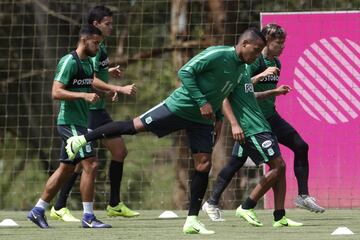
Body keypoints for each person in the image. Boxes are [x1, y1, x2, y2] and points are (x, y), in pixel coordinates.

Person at [64, 28, 266, 234]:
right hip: (177, 107)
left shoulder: (242, 69)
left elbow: (226, 93)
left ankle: (192, 220)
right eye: (256, 50)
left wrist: (220, 120)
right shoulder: (217, 54)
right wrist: (201, 101)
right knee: (132, 127)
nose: (257, 55)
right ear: (244, 44)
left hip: (202, 120)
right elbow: (185, 72)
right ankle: (81, 140)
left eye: (260, 52)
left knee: (204, 164)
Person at [49, 5, 138, 223]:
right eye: (107, 23)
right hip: (88, 112)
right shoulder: (88, 49)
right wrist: (117, 88)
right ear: (95, 25)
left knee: (111, 153)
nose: (111, 27)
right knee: (83, 162)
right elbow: (89, 78)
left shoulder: (99, 47)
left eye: (111, 23)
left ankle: (112, 204)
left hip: (97, 109)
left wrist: (109, 76)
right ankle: (62, 207)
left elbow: (91, 74)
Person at [27, 25, 111, 229]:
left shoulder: (88, 63)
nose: (98, 47)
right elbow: (56, 92)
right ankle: (88, 217)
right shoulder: (68, 61)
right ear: (84, 40)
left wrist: (109, 90)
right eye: (96, 43)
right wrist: (83, 95)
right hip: (69, 123)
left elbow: (89, 82)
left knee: (66, 169)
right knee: (91, 164)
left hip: (80, 122)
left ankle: (38, 210)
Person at [203, 66, 302, 227]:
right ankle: (246, 206)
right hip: (251, 129)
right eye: (256, 49)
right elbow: (224, 98)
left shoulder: (248, 72)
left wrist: (274, 92)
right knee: (277, 165)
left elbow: (249, 93)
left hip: (261, 126)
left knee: (275, 166)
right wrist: (235, 124)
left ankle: (279, 216)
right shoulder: (235, 70)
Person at [250, 23, 324, 213]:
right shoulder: (255, 62)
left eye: (284, 43)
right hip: (254, 121)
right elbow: (242, 88)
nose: (283, 47)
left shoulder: (277, 63)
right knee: (235, 163)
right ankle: (214, 201)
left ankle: (303, 196)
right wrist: (264, 80)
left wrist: (274, 92)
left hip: (271, 117)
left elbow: (268, 94)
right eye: (278, 43)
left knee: (301, 146)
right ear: (266, 41)